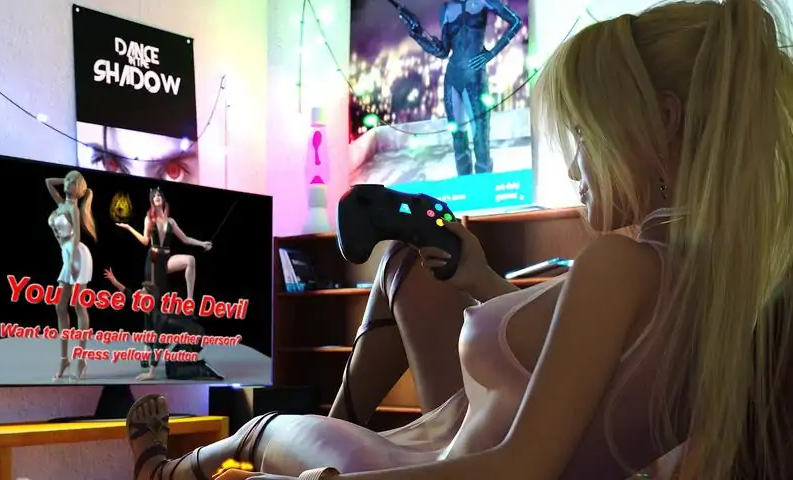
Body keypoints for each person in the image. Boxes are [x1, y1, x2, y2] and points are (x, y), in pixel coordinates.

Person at [123, 0, 793, 479]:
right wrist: (479, 281)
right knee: (407, 262)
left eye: (586, 137)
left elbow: (519, 466)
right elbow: (586, 373)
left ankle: (165, 469)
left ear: (663, 123)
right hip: (453, 435)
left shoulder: (621, 264)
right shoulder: (712, 281)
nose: (575, 166)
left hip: (444, 459)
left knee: (261, 430)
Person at [398, 0, 522, 175]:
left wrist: (491, 53)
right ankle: (464, 184)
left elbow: (516, 22)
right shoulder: (446, 9)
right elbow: (443, 51)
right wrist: (417, 33)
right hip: (452, 78)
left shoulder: (483, 1)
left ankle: (484, 185)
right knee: (458, 138)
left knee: (480, 137)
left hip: (475, 77)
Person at [46, 170, 97, 381]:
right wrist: (68, 179)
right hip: (66, 255)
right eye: (67, 180)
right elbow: (48, 181)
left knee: (78, 306)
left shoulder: (73, 209)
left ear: (80, 189)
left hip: (77, 256)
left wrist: (70, 264)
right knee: (60, 306)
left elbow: (76, 237)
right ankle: (64, 358)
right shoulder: (61, 204)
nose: (67, 184)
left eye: (73, 182)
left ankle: (81, 359)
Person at [117, 188, 212, 300]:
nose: (156, 197)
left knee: (190, 260)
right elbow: (145, 241)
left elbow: (185, 239)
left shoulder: (171, 221)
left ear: (162, 198)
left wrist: (202, 244)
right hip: (154, 261)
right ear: (152, 201)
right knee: (147, 295)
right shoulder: (149, 219)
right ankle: (131, 293)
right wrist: (129, 228)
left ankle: (189, 300)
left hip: (166, 259)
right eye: (154, 196)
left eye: (158, 195)